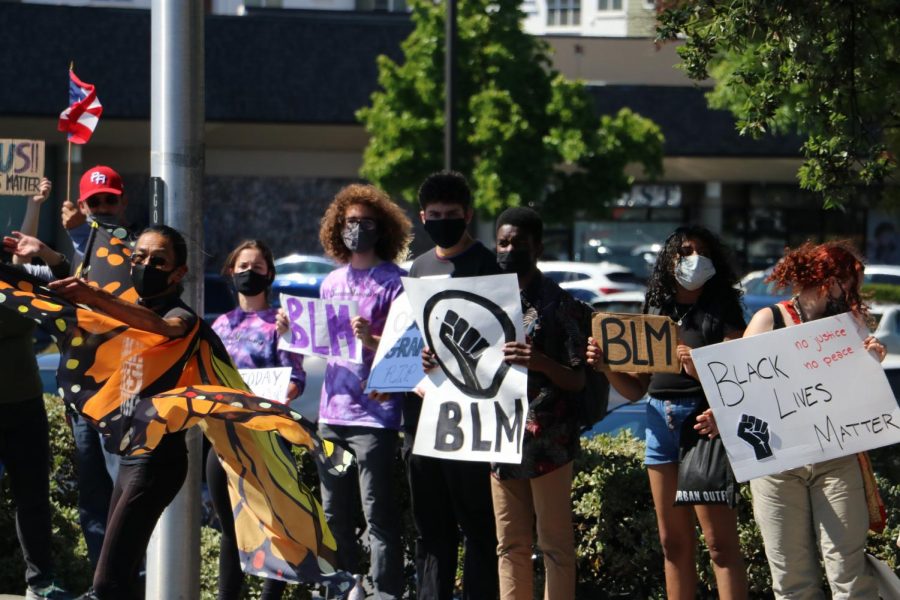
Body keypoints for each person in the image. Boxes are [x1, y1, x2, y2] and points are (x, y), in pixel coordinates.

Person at [586, 225, 748, 600]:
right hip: (658, 421)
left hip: (703, 426)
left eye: (701, 252)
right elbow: (637, 387)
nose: (693, 259)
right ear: (668, 260)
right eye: (684, 251)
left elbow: (740, 382)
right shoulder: (656, 308)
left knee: (719, 544)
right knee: (672, 543)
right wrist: (608, 366)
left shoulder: (723, 310)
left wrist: (700, 366)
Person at [280, 184, 411, 599]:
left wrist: (371, 341)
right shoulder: (331, 281)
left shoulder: (396, 282)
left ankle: (384, 591)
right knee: (334, 512)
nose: (357, 229)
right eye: (350, 222)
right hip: (332, 414)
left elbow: (407, 346)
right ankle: (342, 589)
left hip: (376, 415)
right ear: (338, 227)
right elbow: (318, 342)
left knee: (378, 515)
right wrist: (290, 333)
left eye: (366, 222)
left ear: (382, 228)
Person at [50, 225, 194, 600]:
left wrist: (97, 297)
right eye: (139, 258)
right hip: (129, 457)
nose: (146, 266)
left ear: (179, 273)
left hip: (156, 461)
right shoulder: (126, 314)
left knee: (106, 584)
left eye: (158, 260)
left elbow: (161, 328)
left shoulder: (182, 317)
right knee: (118, 579)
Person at [735, 240, 884, 598]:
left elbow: (861, 396)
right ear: (829, 282)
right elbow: (739, 389)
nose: (853, 295)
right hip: (778, 466)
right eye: (850, 285)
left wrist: (872, 363)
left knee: (848, 572)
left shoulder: (850, 324)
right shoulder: (769, 319)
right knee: (791, 578)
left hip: (836, 460)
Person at [405, 170, 500, 600]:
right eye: (435, 214)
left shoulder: (489, 265)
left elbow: (500, 339)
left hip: (474, 418)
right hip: (424, 416)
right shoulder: (417, 268)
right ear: (423, 217)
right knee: (431, 527)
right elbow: (409, 337)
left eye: (452, 214)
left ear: (468, 215)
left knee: (478, 525)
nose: (442, 220)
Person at [489, 206, 587, 599]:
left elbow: (578, 379)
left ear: (538, 248)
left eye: (518, 244)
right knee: (509, 545)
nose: (509, 250)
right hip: (498, 436)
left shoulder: (560, 305)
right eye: (503, 242)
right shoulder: (486, 301)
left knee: (555, 547)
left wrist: (541, 362)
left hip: (549, 443)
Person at [207, 240, 306, 600]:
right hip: (224, 440)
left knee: (274, 528)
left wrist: (283, 391)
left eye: (258, 267)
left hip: (267, 440)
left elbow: (296, 380)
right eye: (243, 266)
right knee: (230, 531)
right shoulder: (219, 325)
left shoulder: (281, 323)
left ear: (270, 275)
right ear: (231, 273)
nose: (250, 272)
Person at [0, 178, 72, 600]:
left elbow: (54, 272)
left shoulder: (19, 279)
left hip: (24, 404)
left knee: (32, 496)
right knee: (30, 497)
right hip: (21, 402)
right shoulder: (19, 287)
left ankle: (40, 580)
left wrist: (34, 206)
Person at [59, 165, 129, 567]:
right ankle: (101, 580)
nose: (103, 206)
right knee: (93, 492)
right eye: (95, 201)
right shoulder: (76, 248)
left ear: (122, 203)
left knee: (124, 488)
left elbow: (112, 251)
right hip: (82, 391)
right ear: (83, 204)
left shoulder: (133, 246)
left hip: (120, 390)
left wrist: (79, 231)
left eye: (109, 200)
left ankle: (130, 577)